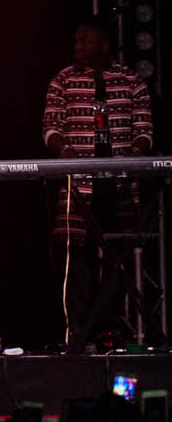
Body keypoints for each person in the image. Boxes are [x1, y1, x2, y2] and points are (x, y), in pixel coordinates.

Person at [42, 18, 156, 345]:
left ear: (104, 45)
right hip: (79, 187)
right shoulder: (63, 81)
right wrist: (63, 149)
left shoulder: (131, 81)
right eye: (76, 41)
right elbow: (50, 127)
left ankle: (112, 331)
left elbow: (145, 130)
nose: (78, 47)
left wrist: (133, 152)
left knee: (118, 261)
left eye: (85, 41)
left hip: (119, 188)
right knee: (77, 261)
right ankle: (78, 337)